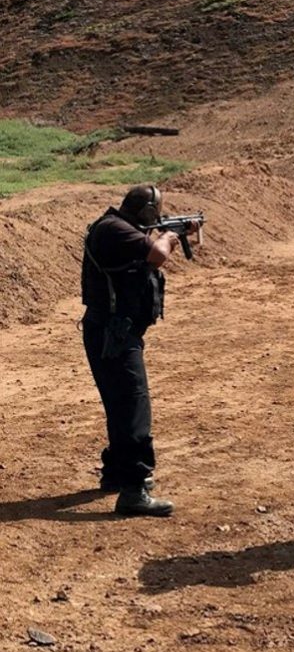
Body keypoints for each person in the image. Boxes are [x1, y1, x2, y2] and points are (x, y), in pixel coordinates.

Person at [81, 184, 198, 516]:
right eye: (156, 212)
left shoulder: (117, 227)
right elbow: (158, 255)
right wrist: (169, 237)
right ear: (147, 211)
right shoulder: (115, 230)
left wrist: (167, 232)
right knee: (133, 406)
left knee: (121, 404)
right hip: (114, 333)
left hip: (111, 331)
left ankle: (117, 473)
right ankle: (134, 489)